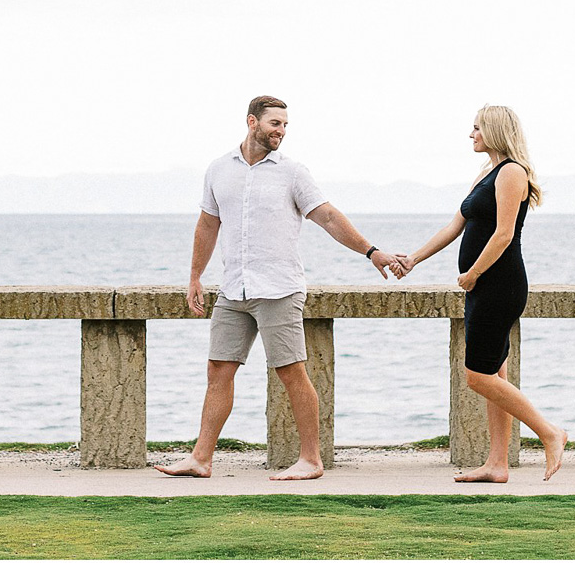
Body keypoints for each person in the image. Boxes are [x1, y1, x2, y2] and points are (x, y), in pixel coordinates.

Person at [155, 95, 409, 481]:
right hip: (233, 291)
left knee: (291, 372)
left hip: (280, 290)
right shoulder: (219, 169)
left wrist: (371, 251)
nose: (282, 131)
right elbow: (208, 224)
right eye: (275, 123)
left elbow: (327, 216)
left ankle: (311, 460)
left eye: (286, 125)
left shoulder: (292, 172)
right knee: (217, 371)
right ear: (252, 122)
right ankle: (201, 459)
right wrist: (195, 276)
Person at [399, 104, 568, 482]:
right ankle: (497, 464)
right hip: (485, 284)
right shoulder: (486, 174)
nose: (471, 134)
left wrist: (473, 273)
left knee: (477, 376)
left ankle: (550, 432)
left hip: (499, 283)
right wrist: (412, 260)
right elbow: (453, 227)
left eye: (476, 128)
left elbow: (504, 233)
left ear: (493, 130)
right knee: (495, 372)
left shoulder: (511, 172)